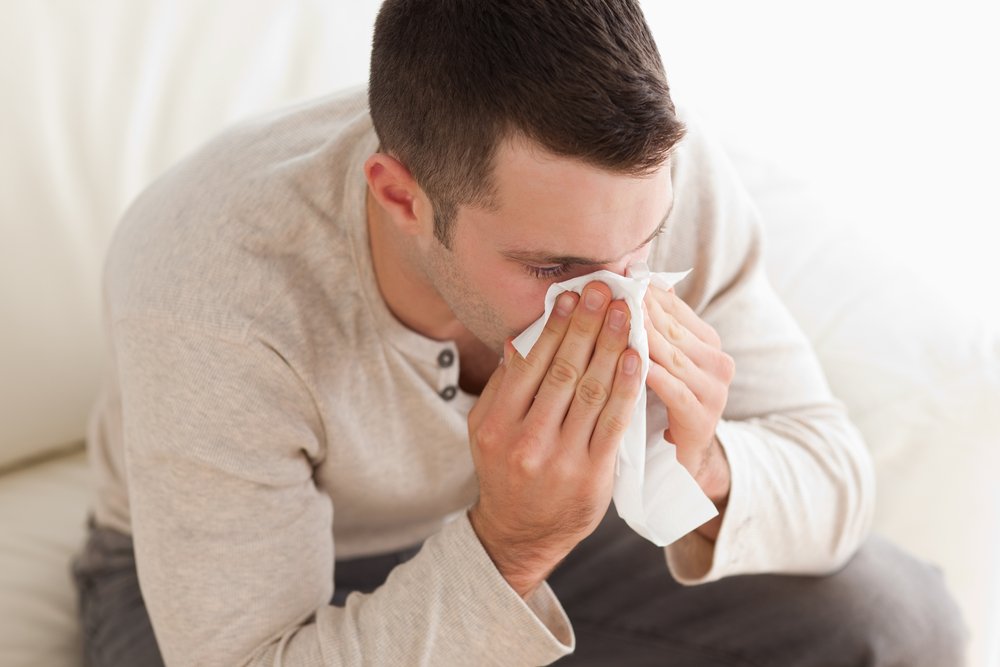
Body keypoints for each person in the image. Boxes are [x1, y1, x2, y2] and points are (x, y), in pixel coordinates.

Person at [70, 1, 966, 665]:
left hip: (538, 524)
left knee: (896, 617)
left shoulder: (654, 183)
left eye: (642, 247)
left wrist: (700, 468)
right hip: (227, 584)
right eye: (556, 269)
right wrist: (512, 546)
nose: (615, 297)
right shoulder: (211, 278)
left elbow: (832, 472)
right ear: (401, 197)